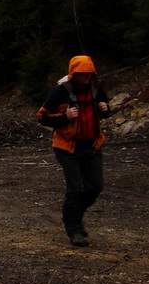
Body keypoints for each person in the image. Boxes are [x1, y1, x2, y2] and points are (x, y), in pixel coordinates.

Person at [36, 55, 111, 247]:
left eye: (89, 74)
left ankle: (73, 215)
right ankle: (74, 229)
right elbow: (43, 117)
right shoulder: (59, 93)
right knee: (75, 188)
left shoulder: (96, 90)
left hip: (92, 145)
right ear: (73, 74)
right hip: (67, 147)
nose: (86, 77)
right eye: (82, 74)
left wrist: (105, 109)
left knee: (95, 187)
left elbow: (105, 112)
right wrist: (64, 116)